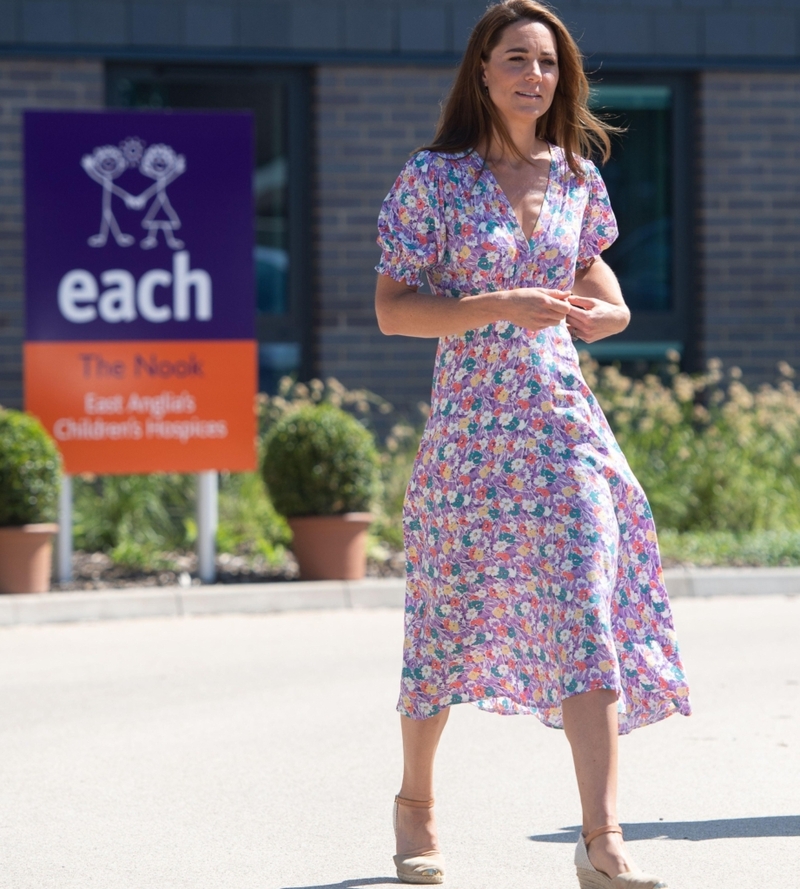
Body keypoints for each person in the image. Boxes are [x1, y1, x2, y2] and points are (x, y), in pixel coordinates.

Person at [374, 2, 691, 887]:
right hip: (471, 437)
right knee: (442, 620)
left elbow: (602, 284)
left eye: (547, 63)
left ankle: (602, 840)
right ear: (482, 71)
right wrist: (492, 306)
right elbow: (394, 309)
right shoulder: (432, 180)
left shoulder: (578, 177)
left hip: (562, 429)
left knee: (587, 613)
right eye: (516, 59)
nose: (534, 76)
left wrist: (612, 314)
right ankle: (417, 803)